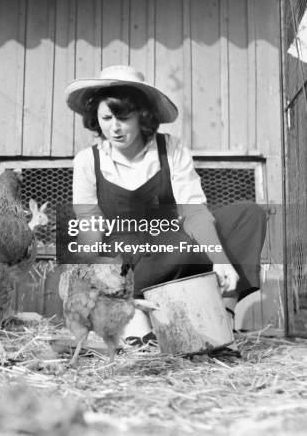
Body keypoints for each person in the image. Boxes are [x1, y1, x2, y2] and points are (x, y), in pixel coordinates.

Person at [64, 64, 267, 335]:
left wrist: (220, 259)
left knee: (246, 215)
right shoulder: (87, 161)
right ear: (95, 118)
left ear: (142, 116)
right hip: (126, 266)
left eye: (124, 117)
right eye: (106, 118)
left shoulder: (170, 149)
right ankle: (131, 313)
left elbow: (194, 211)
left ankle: (224, 312)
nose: (114, 128)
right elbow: (90, 227)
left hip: (173, 251)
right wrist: (92, 281)